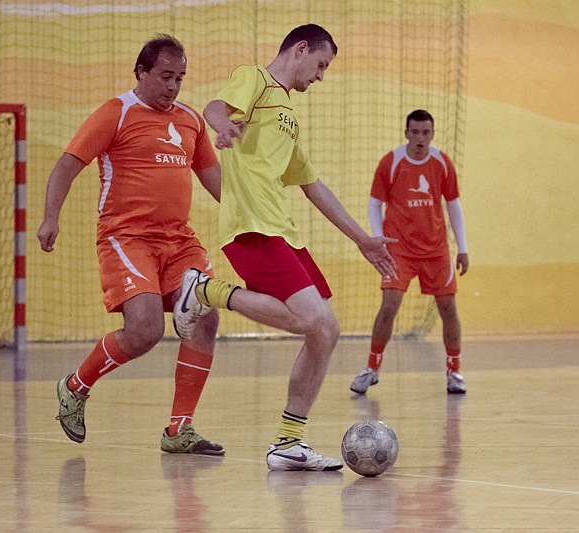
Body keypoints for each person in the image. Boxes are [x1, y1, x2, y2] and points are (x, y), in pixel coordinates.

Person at [174, 23, 398, 472]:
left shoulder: (289, 117)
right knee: (312, 320)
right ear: (300, 49)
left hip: (284, 231)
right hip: (252, 225)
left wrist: (362, 239)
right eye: (321, 65)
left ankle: (288, 443)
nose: (320, 76)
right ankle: (203, 291)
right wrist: (221, 126)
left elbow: (313, 186)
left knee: (326, 331)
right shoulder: (256, 79)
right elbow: (214, 106)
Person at [37, 34, 224, 455]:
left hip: (180, 241)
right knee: (145, 330)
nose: (173, 86)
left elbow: (215, 180)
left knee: (204, 317)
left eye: (180, 78)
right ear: (141, 72)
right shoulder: (116, 112)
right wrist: (51, 217)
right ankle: (75, 386)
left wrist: (253, 221)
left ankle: (179, 429)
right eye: (165, 76)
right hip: (127, 238)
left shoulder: (191, 121)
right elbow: (67, 165)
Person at [350, 109, 469, 395]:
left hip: (435, 250)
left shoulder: (442, 163)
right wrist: (379, 240)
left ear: (433, 134)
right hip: (399, 250)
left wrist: (463, 248)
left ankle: (454, 372)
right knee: (389, 305)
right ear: (406, 133)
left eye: (425, 132)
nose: (420, 138)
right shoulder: (391, 162)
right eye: (414, 132)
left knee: (448, 307)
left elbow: (453, 204)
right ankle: (371, 369)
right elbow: (374, 203)